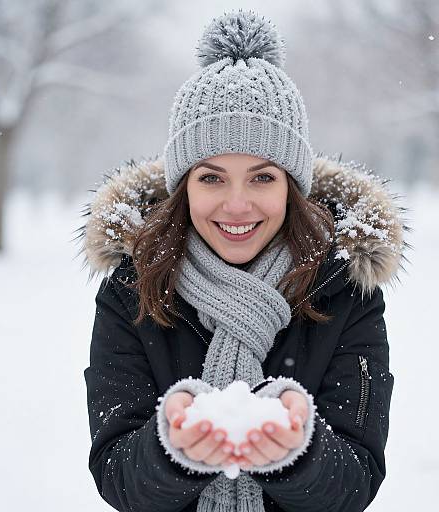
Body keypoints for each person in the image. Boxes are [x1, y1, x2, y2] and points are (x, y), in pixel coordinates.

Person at [77, 10, 409, 512]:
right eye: (211, 178)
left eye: (262, 178)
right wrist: (172, 449)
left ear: (292, 186)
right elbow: (117, 475)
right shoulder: (133, 287)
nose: (236, 205)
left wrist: (300, 451)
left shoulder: (343, 288)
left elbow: (356, 481)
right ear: (182, 186)